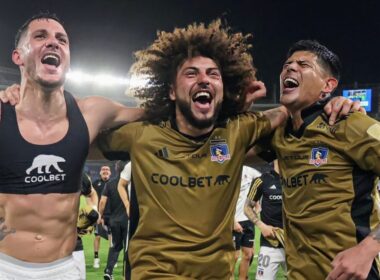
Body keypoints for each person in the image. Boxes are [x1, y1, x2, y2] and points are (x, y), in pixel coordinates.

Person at [97, 20, 355, 279]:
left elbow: (289, 110)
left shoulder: (239, 130)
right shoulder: (141, 135)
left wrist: (333, 102)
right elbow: (77, 141)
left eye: (213, 74)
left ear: (224, 88)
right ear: (172, 91)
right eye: (191, 73)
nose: (204, 80)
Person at [0, 12, 143, 279]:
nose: (53, 43)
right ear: (18, 56)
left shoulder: (90, 112)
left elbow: (154, 113)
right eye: (40, 36)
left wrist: (230, 98)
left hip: (64, 268)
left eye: (61, 40)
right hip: (5, 266)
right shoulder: (2, 113)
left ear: (67, 58)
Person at [252, 40, 380, 279]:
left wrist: (369, 247)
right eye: (287, 64)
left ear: (328, 85)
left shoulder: (350, 124)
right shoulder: (280, 136)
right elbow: (226, 151)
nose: (290, 68)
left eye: (303, 64)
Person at [244, 160, 286, 279]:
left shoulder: (297, 180)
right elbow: (247, 207)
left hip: (294, 245)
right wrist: (261, 226)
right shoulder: (262, 180)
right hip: (270, 245)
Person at [99, 161, 129, 280]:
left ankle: (108, 271)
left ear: (116, 169)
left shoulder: (110, 183)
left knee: (115, 246)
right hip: (128, 220)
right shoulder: (130, 183)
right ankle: (127, 274)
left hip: (114, 221)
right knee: (128, 247)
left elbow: (102, 202)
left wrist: (100, 216)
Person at [233, 165, 261, 280]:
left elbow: (261, 183)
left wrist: (257, 203)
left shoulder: (250, 170)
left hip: (247, 220)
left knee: (248, 255)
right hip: (234, 221)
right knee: (233, 257)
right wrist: (233, 222)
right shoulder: (229, 171)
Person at [74, 172, 99, 280]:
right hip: (39, 245)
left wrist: (94, 210)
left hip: (73, 243)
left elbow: (92, 193)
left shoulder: (79, 175)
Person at [93, 164, 112, 269]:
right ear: (100, 172)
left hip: (111, 214)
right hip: (98, 215)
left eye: (107, 169)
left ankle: (111, 259)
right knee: (97, 236)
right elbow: (90, 197)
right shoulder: (95, 184)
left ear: (110, 172)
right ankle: (96, 258)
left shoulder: (114, 183)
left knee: (111, 237)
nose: (105, 171)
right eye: (103, 169)